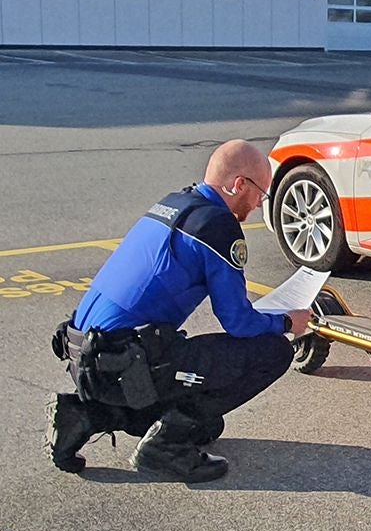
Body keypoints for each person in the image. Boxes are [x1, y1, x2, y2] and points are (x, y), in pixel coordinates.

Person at [46, 140, 313, 483]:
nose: (261, 203)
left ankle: (81, 415)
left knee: (207, 424)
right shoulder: (216, 226)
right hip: (124, 361)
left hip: (85, 352)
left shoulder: (174, 203)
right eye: (261, 192)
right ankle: (165, 449)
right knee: (273, 350)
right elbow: (238, 322)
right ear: (239, 185)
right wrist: (289, 321)